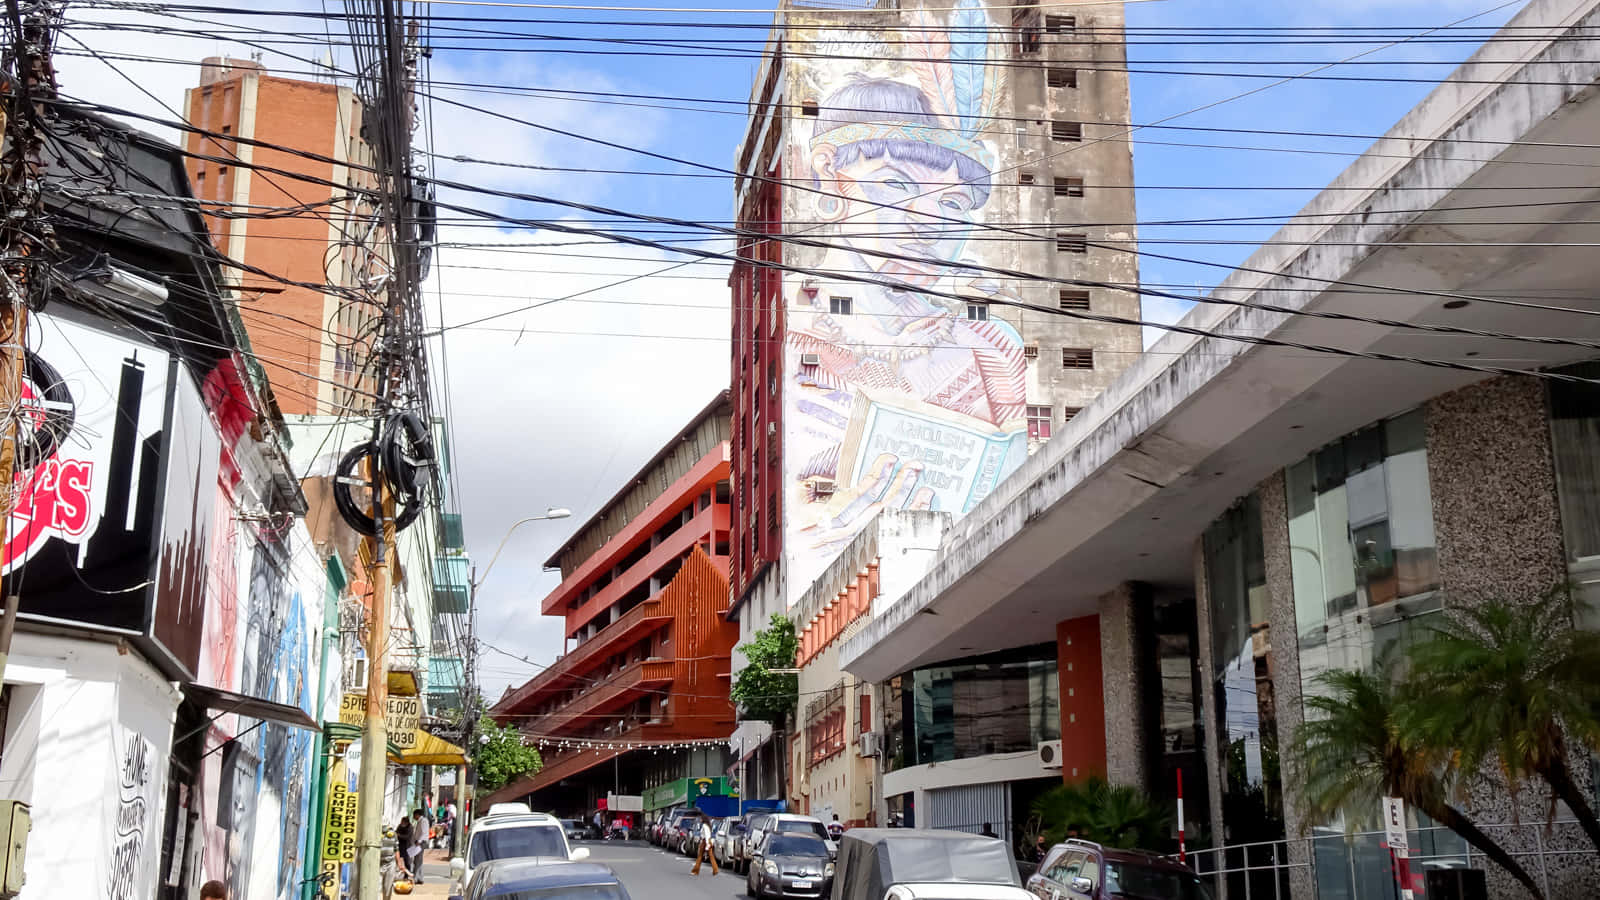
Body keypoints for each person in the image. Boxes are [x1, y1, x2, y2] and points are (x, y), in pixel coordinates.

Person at [409, 808, 429, 883]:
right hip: (418, 842)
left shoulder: (424, 821)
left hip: (421, 842)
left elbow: (424, 832)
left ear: (417, 815)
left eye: (414, 815)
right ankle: (419, 877)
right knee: (418, 860)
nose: (414, 817)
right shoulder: (419, 821)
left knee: (418, 860)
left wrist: (419, 841)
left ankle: (417, 877)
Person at [394, 816, 415, 881]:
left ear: (406, 822)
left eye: (403, 822)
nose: (401, 823)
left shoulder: (410, 827)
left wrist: (399, 835)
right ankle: (397, 874)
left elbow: (407, 836)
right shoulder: (400, 826)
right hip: (401, 845)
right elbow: (396, 832)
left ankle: (407, 876)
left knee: (407, 862)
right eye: (401, 822)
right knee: (397, 859)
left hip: (408, 846)